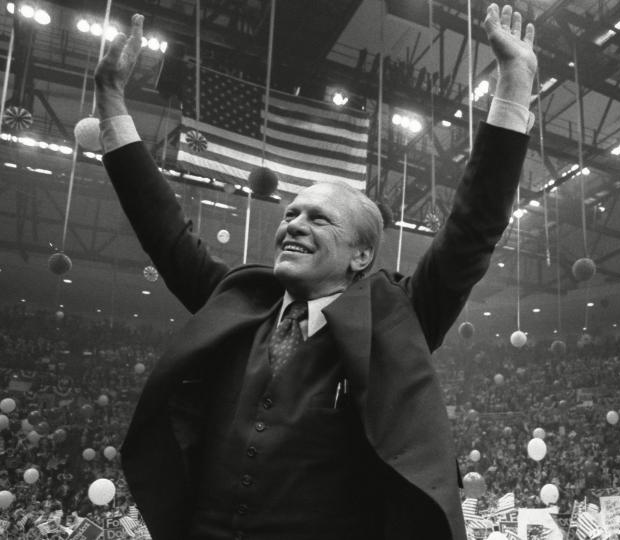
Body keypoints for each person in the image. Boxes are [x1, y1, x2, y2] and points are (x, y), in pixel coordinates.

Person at [95, 3, 537, 539]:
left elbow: (473, 229)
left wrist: (513, 86)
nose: (295, 225)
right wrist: (112, 99)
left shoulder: (399, 317)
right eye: (290, 214)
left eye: (319, 219)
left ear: (360, 256)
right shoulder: (238, 301)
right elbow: (161, 228)